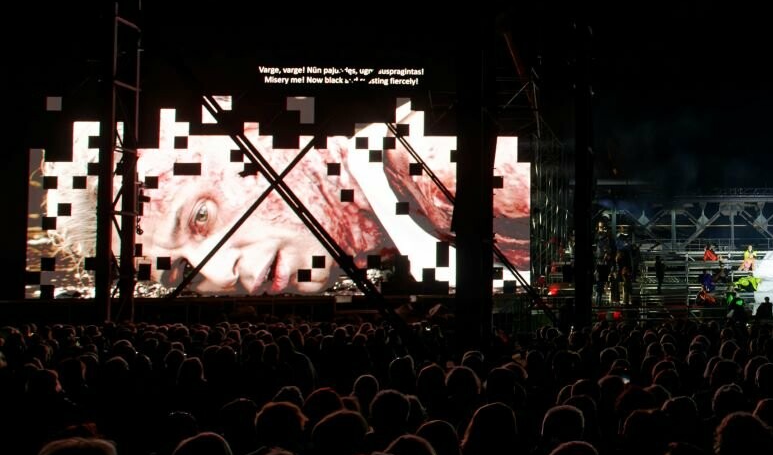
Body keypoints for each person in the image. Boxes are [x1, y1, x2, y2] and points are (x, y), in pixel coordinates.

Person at [41, 100, 492, 295]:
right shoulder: (407, 228)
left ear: (246, 130)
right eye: (181, 271)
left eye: (201, 215)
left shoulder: (423, 164)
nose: (219, 274)